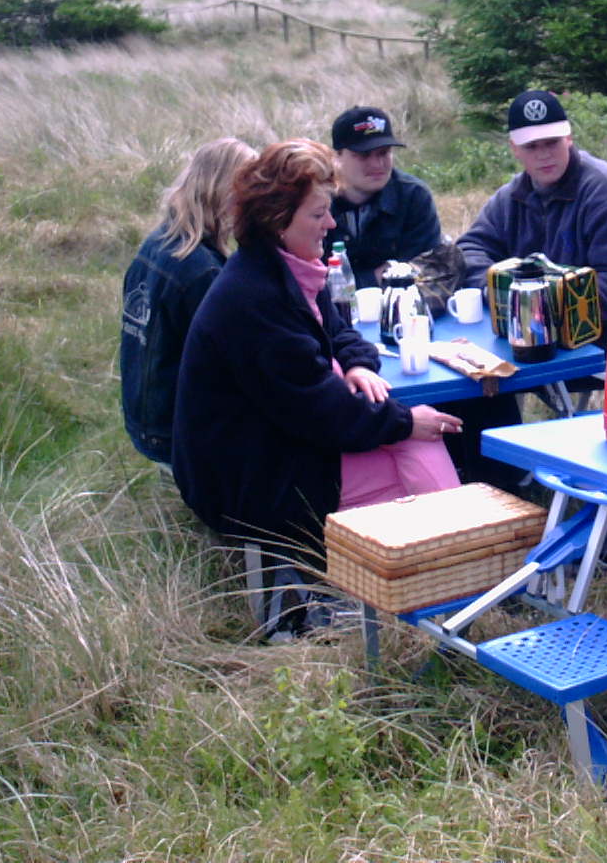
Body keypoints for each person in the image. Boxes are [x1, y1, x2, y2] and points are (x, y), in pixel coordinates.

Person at [172, 140, 462, 636]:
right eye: (318, 214)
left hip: (280, 442)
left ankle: (438, 588)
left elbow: (339, 328)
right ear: (277, 220)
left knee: (412, 441)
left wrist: (356, 364)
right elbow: (321, 412)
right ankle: (445, 588)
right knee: (416, 444)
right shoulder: (253, 298)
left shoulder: (283, 268)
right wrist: (405, 422)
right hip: (245, 477)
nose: (330, 224)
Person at [456, 90, 607, 335]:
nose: (544, 155)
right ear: (515, 149)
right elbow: (468, 250)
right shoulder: (511, 196)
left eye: (552, 142)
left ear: (568, 138)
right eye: (531, 146)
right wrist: (500, 289)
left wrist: (535, 299)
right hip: (534, 330)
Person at [119, 137, 257, 472]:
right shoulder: (202, 272)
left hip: (145, 420)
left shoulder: (157, 243)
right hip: (173, 435)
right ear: (225, 190)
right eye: (249, 190)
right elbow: (237, 364)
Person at [324, 105, 442, 288]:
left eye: (384, 152)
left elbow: (424, 272)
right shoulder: (316, 200)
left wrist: (346, 282)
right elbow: (308, 280)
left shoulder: (413, 197)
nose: (377, 164)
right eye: (363, 155)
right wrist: (373, 278)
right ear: (336, 157)